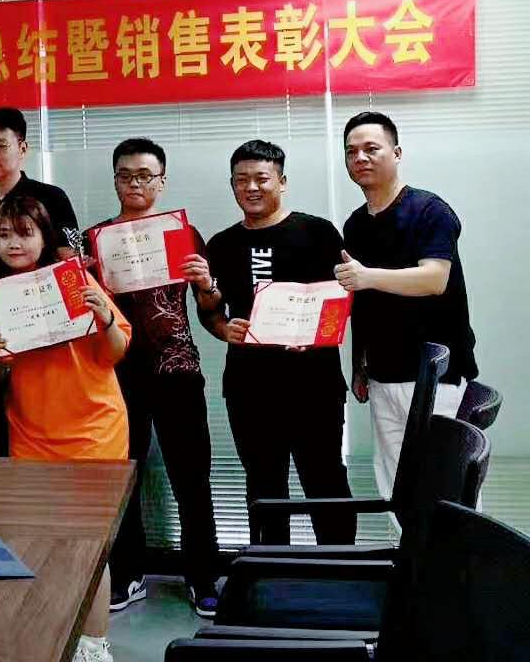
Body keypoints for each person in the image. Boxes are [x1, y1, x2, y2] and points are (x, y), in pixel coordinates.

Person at [0, 194, 130, 658]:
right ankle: (49, 638)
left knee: (88, 549)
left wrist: (105, 317)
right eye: (4, 235)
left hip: (95, 430)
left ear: (44, 237)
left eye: (24, 233)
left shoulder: (74, 279)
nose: (14, 244)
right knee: (39, 545)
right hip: (32, 435)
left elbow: (115, 352)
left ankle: (93, 647)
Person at [201, 141, 354, 553]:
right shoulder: (221, 244)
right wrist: (223, 330)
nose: (251, 187)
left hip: (315, 384)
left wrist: (316, 336)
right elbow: (210, 311)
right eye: (241, 180)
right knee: (263, 485)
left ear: (281, 182)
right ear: (232, 185)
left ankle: (342, 568)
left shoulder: (318, 232)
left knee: (325, 479)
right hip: (249, 387)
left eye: (261, 178)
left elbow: (344, 298)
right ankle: (270, 569)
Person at [97, 139, 220, 618]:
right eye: (125, 175)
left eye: (145, 175)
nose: (135, 183)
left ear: (161, 181)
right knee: (121, 478)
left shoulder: (183, 234)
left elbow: (210, 306)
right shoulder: (96, 239)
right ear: (115, 180)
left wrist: (207, 285)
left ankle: (202, 576)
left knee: (192, 477)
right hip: (116, 374)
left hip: (177, 369)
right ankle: (128, 574)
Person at [337, 112, 479, 500]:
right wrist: (359, 364)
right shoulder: (355, 225)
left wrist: (367, 276)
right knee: (396, 486)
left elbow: (434, 279)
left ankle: (456, 545)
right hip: (383, 373)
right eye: (351, 152)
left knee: (446, 488)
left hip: (436, 375)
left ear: (396, 153)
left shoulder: (430, 210)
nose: (360, 158)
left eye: (371, 148)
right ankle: (407, 544)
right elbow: (362, 303)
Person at [0, 107, 81, 457]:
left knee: (43, 449)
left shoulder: (51, 198)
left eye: (0, 145)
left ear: (22, 148)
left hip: (43, 340)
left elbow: (71, 266)